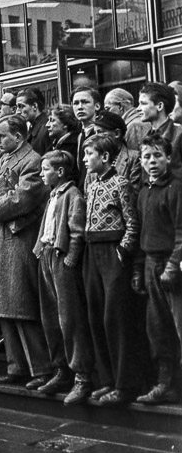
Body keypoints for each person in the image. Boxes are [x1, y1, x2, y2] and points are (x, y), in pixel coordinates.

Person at [0, 114, 52, 387]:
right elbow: (1, 189)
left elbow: (24, 196)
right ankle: (16, 365)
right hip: (1, 238)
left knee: (22, 305)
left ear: (19, 136)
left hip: (18, 238)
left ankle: (40, 367)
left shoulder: (32, 160)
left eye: (2, 135)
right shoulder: (3, 160)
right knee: (4, 307)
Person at [81, 134, 143, 405]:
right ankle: (106, 380)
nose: (84, 160)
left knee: (114, 318)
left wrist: (121, 252)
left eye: (89, 154)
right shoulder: (92, 185)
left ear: (104, 157)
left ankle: (124, 384)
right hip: (91, 252)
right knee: (95, 316)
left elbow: (132, 223)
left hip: (112, 253)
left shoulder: (122, 184)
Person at [33, 150, 94, 404]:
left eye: (45, 169)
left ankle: (82, 376)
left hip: (61, 259)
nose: (41, 174)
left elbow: (77, 231)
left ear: (59, 171)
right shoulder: (52, 195)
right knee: (50, 317)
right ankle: (61, 370)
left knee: (69, 318)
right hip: (46, 256)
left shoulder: (73, 194)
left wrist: (69, 260)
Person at [134, 134, 182, 404]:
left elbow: (181, 232)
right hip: (152, 263)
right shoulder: (143, 191)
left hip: (171, 265)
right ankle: (166, 384)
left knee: (178, 325)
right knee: (157, 327)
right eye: (147, 157)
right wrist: (140, 269)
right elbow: (143, 232)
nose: (152, 162)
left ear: (167, 158)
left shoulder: (175, 188)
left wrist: (172, 267)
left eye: (157, 156)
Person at [138, 82, 182, 180]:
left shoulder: (179, 134)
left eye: (143, 103)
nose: (138, 109)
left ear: (160, 106)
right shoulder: (146, 137)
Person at [92, 110, 142, 191]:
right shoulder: (93, 158)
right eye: (95, 133)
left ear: (117, 133)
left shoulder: (134, 159)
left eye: (100, 132)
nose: (96, 137)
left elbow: (134, 193)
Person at [72, 86, 102, 186]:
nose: (80, 107)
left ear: (97, 106)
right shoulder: (81, 136)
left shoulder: (101, 134)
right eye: (76, 103)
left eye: (85, 102)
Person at [16, 89, 51, 156]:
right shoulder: (33, 128)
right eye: (17, 107)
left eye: (21, 106)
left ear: (34, 106)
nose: (18, 111)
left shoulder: (46, 128)